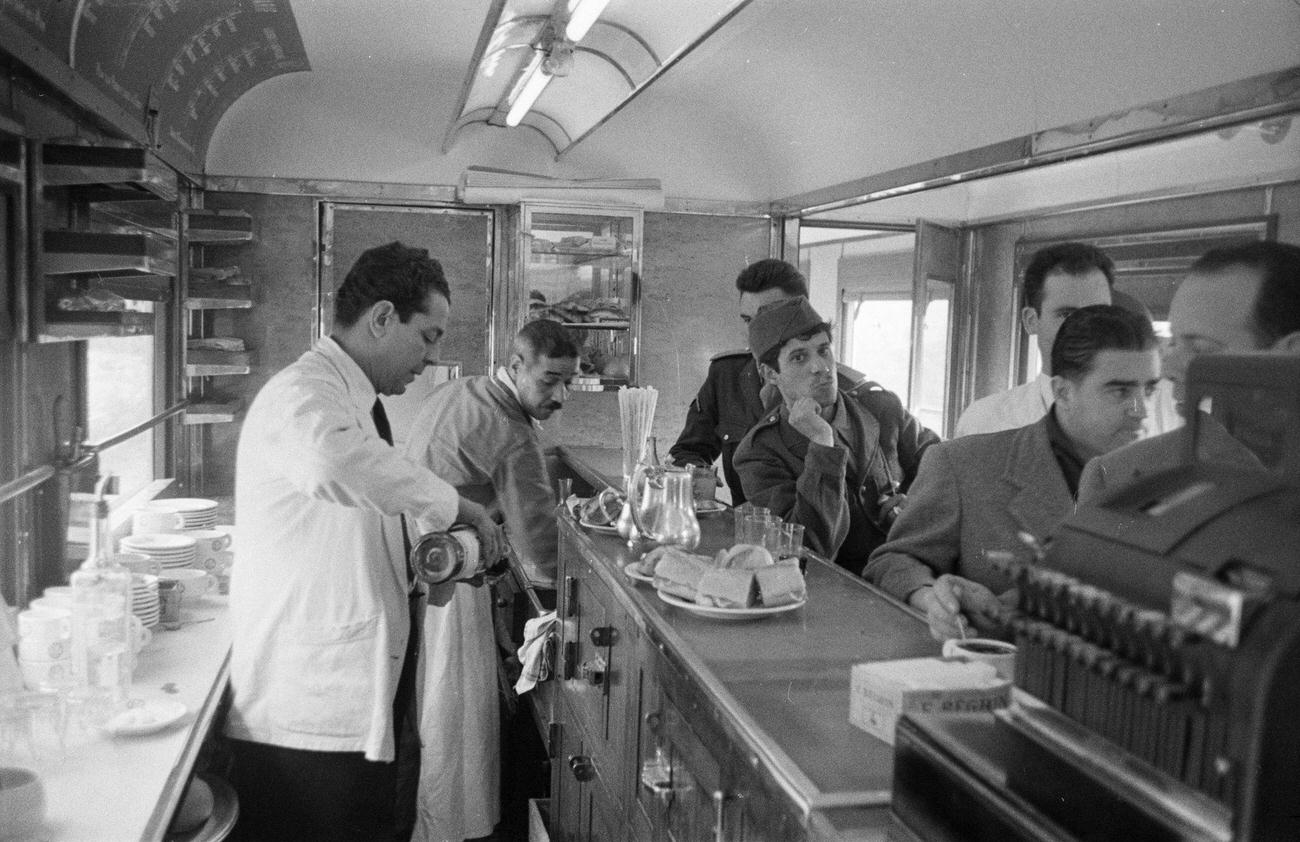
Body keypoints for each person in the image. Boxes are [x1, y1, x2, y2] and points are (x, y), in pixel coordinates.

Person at [225, 241, 504, 842]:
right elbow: (333, 464)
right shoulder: (303, 394)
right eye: (427, 336)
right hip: (307, 715)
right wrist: (456, 504)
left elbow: (361, 514)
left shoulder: (356, 401)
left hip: (357, 698)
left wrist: (425, 566)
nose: (432, 358)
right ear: (382, 317)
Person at [865, 305, 1160, 641]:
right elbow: (892, 561)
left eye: (1148, 389)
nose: (1141, 410)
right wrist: (933, 599)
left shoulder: (1165, 484)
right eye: (1120, 391)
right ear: (1063, 391)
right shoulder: (964, 464)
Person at [402, 319, 579, 842]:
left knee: (430, 708)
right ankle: (448, 829)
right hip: (451, 572)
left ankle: (425, 823)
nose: (560, 395)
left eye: (569, 380)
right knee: (452, 716)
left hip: (415, 561)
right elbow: (542, 549)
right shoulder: (511, 432)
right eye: (549, 380)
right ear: (517, 365)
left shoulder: (466, 389)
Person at [1078, 240, 1300, 503]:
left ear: (1292, 354)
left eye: (1201, 348)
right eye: (1172, 342)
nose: (1168, 370)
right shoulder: (1118, 481)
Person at [732, 296, 940, 571]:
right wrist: (822, 443)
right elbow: (810, 551)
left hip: (912, 572)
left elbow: (942, 464)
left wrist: (914, 506)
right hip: (841, 593)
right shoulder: (759, 453)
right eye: (799, 357)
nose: (821, 367)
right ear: (771, 374)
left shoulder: (881, 409)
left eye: (823, 350)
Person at [668, 258, 866, 504]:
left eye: (767, 318)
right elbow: (688, 451)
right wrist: (696, 475)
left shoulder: (838, 389)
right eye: (748, 321)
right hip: (746, 533)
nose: (755, 334)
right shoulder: (726, 375)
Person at [953, 242, 1115, 437]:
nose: (1086, 328)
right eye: (1065, 315)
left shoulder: (1152, 417)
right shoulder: (986, 422)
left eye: (1099, 313)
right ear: (1031, 321)